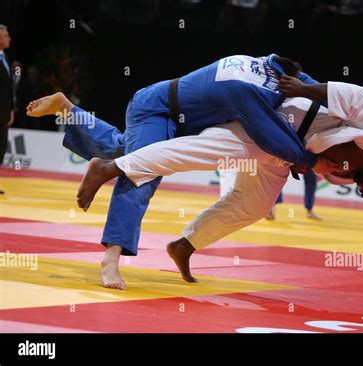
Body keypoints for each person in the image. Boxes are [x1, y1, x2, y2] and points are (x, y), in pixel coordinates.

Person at [26, 54, 343, 289]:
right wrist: (310, 161)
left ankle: (69, 110)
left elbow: (311, 88)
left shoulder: (261, 65)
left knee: (121, 150)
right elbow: (270, 134)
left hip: (174, 114)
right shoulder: (249, 89)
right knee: (143, 174)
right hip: (157, 108)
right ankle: (111, 259)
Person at [57, 79, 363, 285]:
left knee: (254, 205)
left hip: (284, 153)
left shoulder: (353, 174)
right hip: (276, 120)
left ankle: (185, 245)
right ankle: (111, 167)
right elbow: (358, 97)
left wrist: (303, 164)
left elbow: (318, 160)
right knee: (203, 150)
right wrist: (304, 88)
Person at [0, 24, 14, 194]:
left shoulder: (4, 58)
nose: (9, 38)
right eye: (6, 35)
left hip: (3, 114)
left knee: (1, 148)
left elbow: (8, 90)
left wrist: (11, 110)